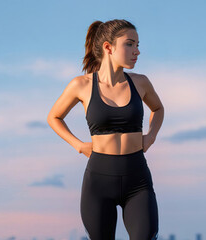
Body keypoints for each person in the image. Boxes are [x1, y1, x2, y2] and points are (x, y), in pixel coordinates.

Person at [47, 19, 164, 240]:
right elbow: (54, 117)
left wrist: (151, 137)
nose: (137, 51)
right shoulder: (80, 85)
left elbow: (158, 109)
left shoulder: (141, 83)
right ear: (108, 47)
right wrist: (79, 145)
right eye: (130, 44)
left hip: (137, 179)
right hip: (99, 181)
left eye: (137, 45)